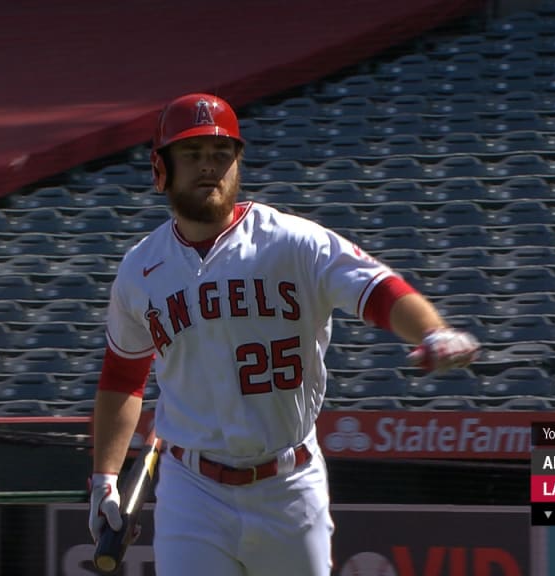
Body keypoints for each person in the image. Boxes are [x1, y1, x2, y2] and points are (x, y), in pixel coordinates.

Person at [89, 93, 480, 575]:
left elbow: (379, 289)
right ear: (160, 168)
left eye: (220, 155)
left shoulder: (292, 242)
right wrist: (105, 476)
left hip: (289, 482)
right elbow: (123, 377)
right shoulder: (140, 269)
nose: (208, 168)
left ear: (238, 164)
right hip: (193, 488)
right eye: (191, 155)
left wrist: (432, 331)